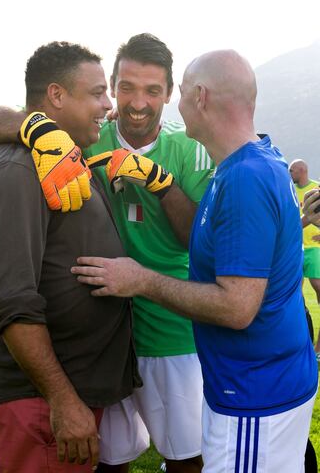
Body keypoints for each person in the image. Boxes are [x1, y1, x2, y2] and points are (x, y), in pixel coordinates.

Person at [71, 50, 318, 473]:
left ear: (199, 96)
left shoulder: (244, 177)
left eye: (180, 93)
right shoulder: (253, 161)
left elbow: (237, 306)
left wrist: (141, 281)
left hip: (255, 393)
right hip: (258, 385)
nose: (176, 105)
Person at [0, 33, 214, 473]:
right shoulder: (81, 136)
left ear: (169, 94)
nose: (132, 102)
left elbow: (199, 241)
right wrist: (35, 127)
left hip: (165, 330)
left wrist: (162, 184)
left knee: (187, 455)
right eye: (121, 88)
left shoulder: (186, 148)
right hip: (101, 350)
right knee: (111, 458)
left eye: (152, 90)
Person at [0, 41, 140, 473]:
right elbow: (11, 300)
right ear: (57, 96)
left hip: (73, 390)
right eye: (98, 93)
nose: (109, 106)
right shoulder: (17, 170)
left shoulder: (62, 156)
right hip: (42, 401)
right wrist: (63, 401)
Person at [289, 160, 320, 356]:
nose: (289, 172)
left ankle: (318, 348)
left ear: (302, 170)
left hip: (315, 250)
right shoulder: (289, 191)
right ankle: (301, 346)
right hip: (297, 249)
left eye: (291, 169)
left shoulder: (315, 189)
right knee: (295, 298)